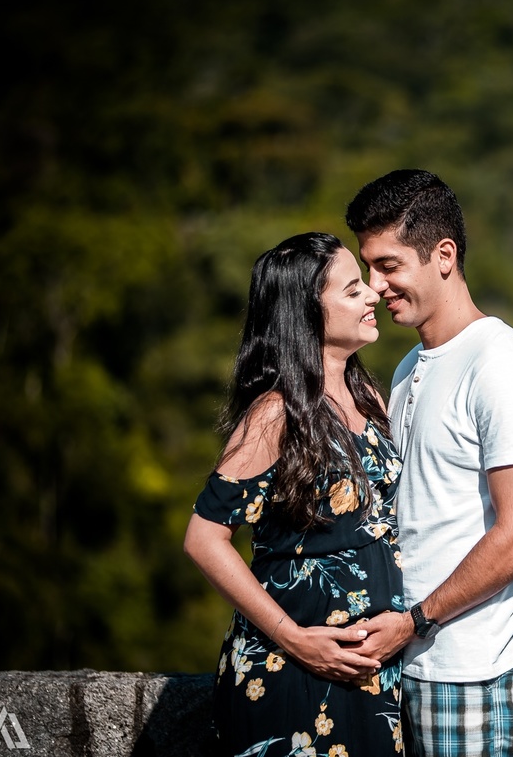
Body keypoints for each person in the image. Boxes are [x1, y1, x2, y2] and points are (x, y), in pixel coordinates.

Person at [343, 169, 513, 757]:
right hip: (408, 667)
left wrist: (416, 620)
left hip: (474, 676)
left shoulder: (500, 364)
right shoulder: (410, 366)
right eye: (367, 268)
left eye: (388, 266)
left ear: (444, 256)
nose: (374, 286)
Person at [184, 231, 406, 757]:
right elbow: (204, 538)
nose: (372, 294)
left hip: (372, 675)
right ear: (307, 312)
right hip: (291, 672)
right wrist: (295, 639)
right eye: (352, 290)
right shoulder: (275, 413)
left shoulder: (367, 396)